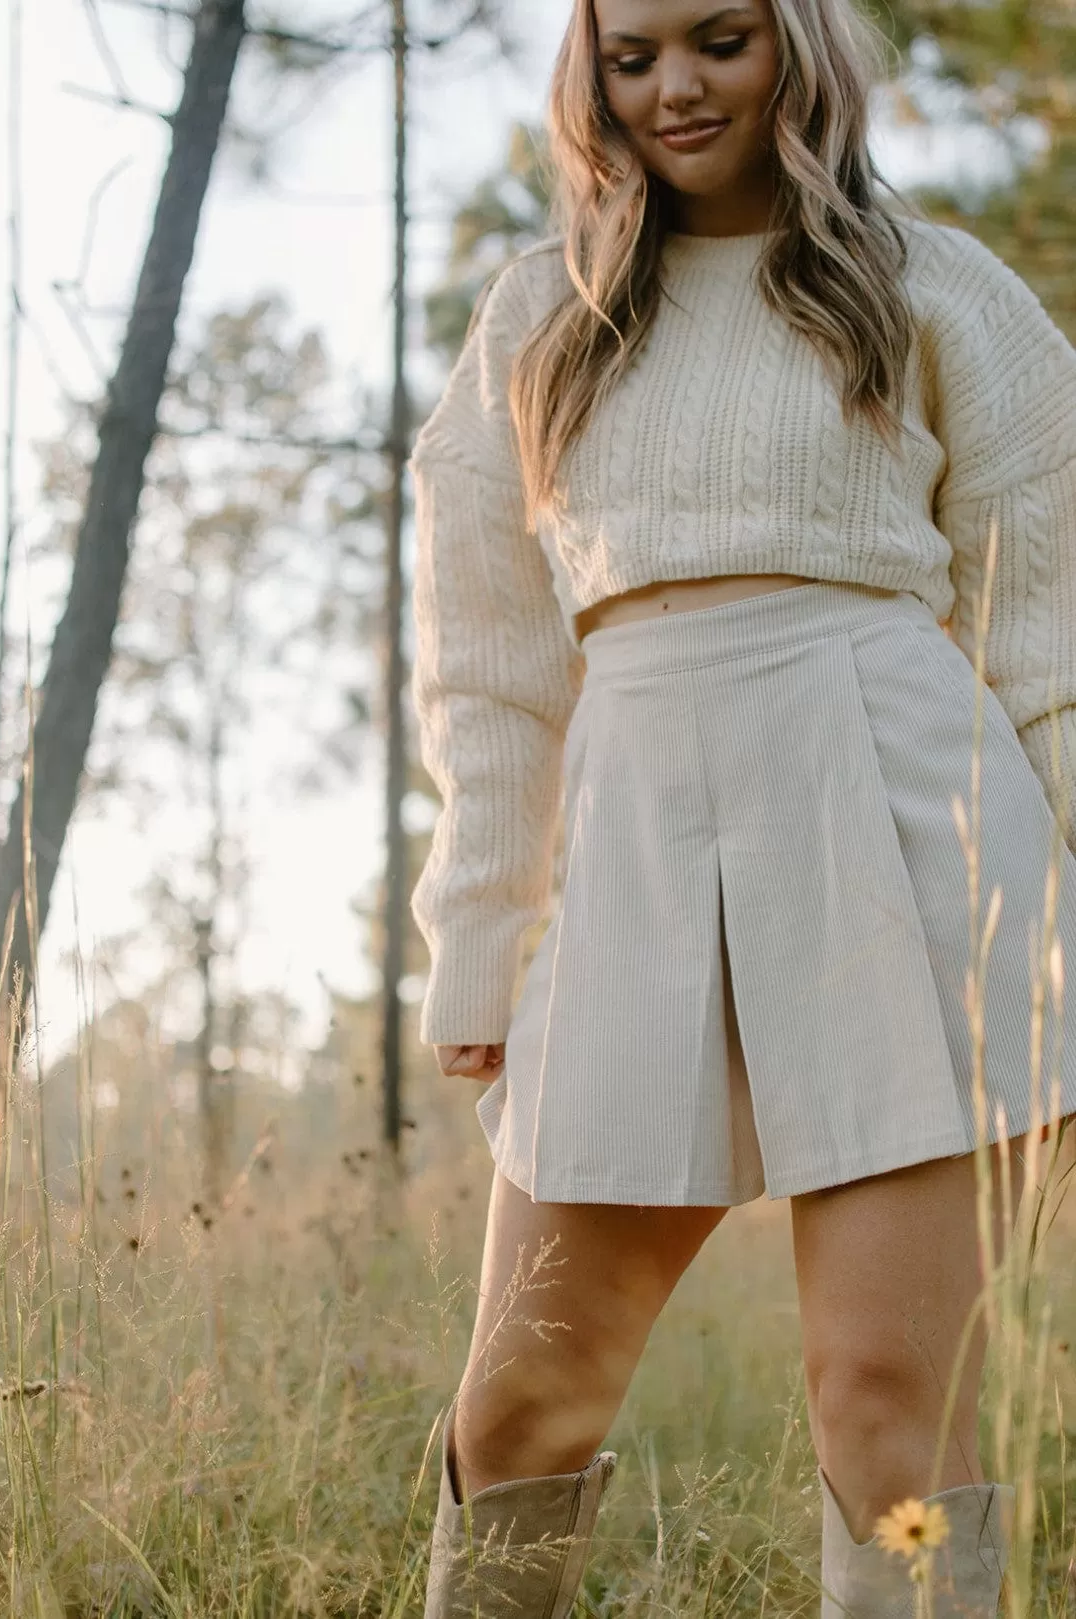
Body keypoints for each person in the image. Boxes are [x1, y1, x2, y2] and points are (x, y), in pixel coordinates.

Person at [406, 0, 1076, 1612]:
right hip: (633, 830)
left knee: (885, 1413)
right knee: (521, 1405)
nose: (675, 87)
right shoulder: (538, 318)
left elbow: (1050, 637)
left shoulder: (940, 289)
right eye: (629, 58)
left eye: (717, 39)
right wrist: (478, 933)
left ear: (800, 45)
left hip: (908, 828)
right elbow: (489, 665)